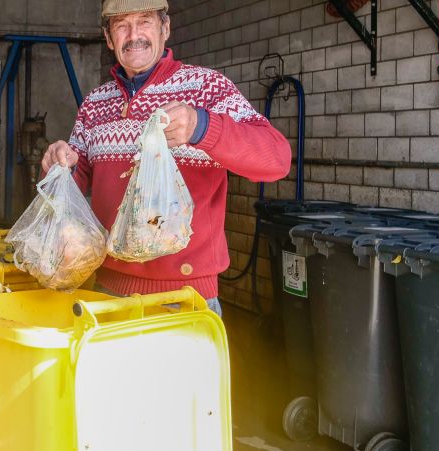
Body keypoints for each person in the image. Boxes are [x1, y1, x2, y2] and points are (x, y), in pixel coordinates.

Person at [41, 0, 291, 315]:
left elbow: (277, 160)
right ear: (108, 38)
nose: (134, 35)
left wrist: (203, 127)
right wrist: (59, 167)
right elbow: (72, 189)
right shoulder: (95, 104)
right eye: (122, 25)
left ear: (165, 28)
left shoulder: (205, 88)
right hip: (105, 293)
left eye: (144, 21)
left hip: (183, 297)